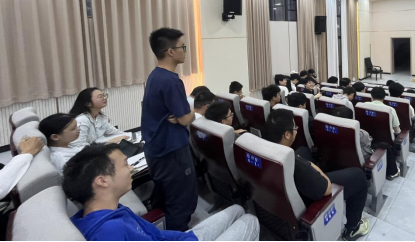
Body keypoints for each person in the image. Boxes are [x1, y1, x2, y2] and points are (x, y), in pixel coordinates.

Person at [63, 144, 260, 242]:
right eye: (125, 164)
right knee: (251, 220)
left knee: (236, 209)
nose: (131, 168)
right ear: (102, 181)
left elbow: (156, 235)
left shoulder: (109, 211)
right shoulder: (109, 232)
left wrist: (185, 238)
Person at [263, 110, 369, 242]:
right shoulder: (296, 164)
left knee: (303, 150)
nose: (296, 130)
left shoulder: (263, 149)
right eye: (295, 128)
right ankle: (353, 228)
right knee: (358, 176)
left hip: (281, 194)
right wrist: (309, 166)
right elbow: (327, 188)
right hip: (308, 199)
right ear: (287, 134)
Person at [141, 28, 197, 231]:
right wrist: (192, 113)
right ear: (170, 51)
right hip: (171, 152)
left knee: (164, 198)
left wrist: (182, 115)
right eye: (183, 47)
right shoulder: (171, 81)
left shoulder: (155, 76)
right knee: (181, 203)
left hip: (156, 150)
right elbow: (185, 119)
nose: (185, 51)